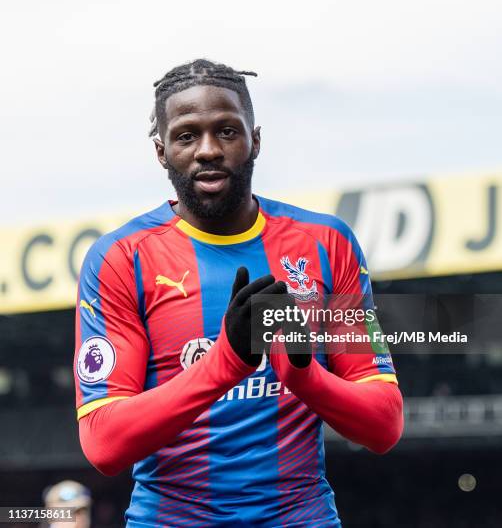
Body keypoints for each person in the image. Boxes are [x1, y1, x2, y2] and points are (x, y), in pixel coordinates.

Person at [74, 59, 403, 527]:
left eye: (227, 131)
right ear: (161, 152)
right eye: (187, 135)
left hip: (299, 517)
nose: (208, 150)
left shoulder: (327, 244)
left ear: (256, 140)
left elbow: (384, 424)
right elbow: (103, 444)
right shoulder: (120, 259)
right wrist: (227, 362)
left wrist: (302, 375)